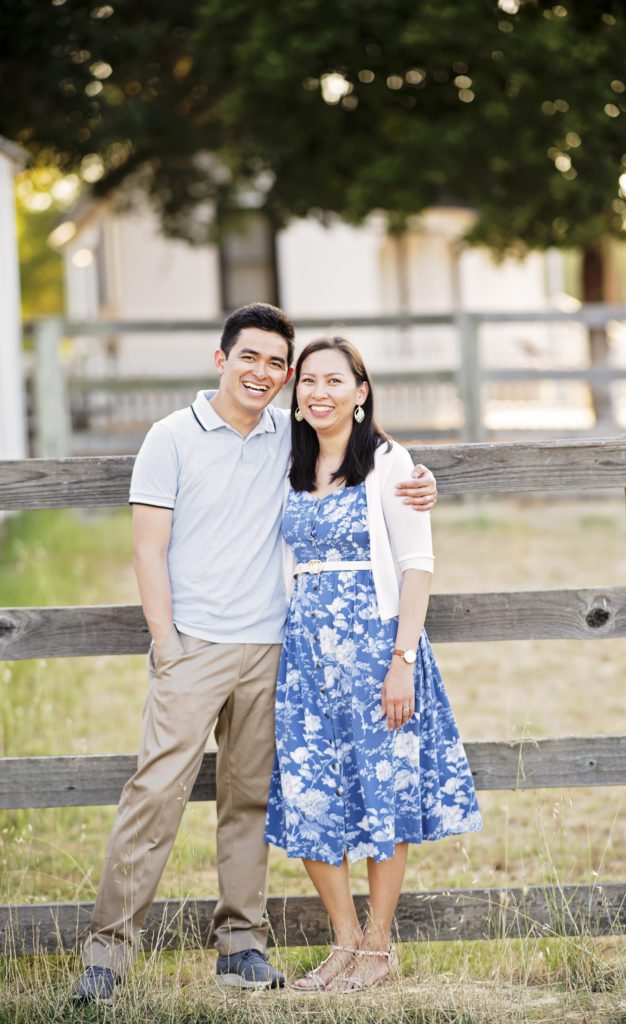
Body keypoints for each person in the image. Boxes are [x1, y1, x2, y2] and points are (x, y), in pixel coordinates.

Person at [74, 303, 437, 1003]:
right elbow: (147, 549)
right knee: (154, 796)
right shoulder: (170, 438)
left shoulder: (290, 434)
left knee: (249, 802)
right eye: (251, 358)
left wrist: (423, 483)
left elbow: (367, 461)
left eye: (279, 364)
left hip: (276, 649)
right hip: (196, 647)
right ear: (221, 359)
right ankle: (107, 955)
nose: (265, 374)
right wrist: (166, 644)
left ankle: (241, 944)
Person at [265, 336, 482, 991]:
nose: (319, 392)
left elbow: (417, 565)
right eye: (307, 381)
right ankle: (345, 943)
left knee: (381, 794)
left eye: (335, 380)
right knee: (310, 800)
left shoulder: (390, 463)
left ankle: (380, 948)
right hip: (305, 662)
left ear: (362, 392)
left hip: (377, 657)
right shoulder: (283, 458)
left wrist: (402, 662)